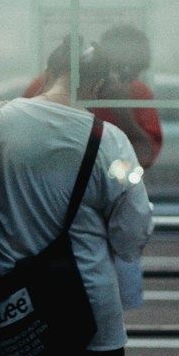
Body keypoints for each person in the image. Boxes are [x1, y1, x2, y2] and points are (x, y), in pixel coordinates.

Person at [0, 38, 154, 356]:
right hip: (90, 318)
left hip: (15, 316)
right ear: (97, 83)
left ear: (47, 71)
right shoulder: (111, 141)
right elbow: (133, 231)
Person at [23, 24, 161, 307]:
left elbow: (144, 158)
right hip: (49, 222)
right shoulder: (45, 88)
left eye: (131, 71)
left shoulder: (136, 93)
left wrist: (122, 108)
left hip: (102, 230)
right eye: (117, 68)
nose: (123, 77)